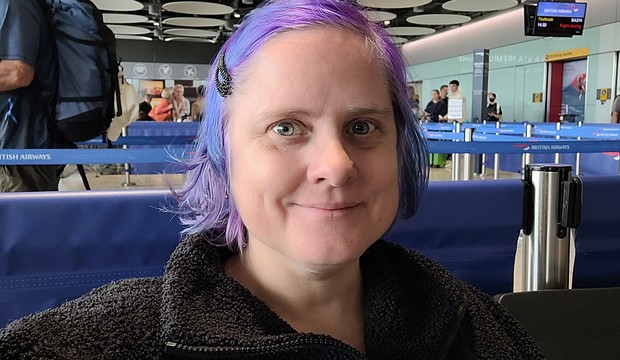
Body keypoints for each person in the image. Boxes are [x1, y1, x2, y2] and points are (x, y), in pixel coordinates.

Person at [0, 0, 545, 358]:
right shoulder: (79, 346)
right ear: (223, 151)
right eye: (287, 127)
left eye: (362, 126)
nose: (336, 164)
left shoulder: (478, 331)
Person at [0, 0, 61, 192]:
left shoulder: (14, 3)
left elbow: (17, 72)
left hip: (19, 152)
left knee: (20, 220)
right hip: (13, 150)